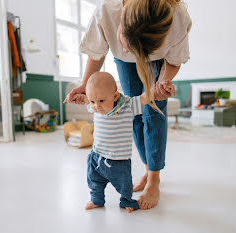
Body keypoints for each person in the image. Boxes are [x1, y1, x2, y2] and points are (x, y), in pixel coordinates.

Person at [64, 0, 192, 210]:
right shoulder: (107, 10)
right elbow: (96, 53)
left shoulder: (176, 17)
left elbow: (175, 60)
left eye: (130, 46)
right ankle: (147, 168)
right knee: (130, 113)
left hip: (158, 60)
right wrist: (85, 86)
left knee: (154, 112)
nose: (125, 48)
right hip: (124, 63)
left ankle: (154, 179)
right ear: (122, 16)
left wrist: (162, 82)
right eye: (124, 41)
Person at [68, 71, 174, 213]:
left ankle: (126, 200)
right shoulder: (95, 106)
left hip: (119, 161)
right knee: (94, 182)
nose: (96, 106)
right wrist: (79, 97)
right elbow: (87, 100)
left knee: (125, 185)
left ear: (115, 96)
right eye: (93, 102)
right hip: (96, 157)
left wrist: (157, 90)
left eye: (101, 101)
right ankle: (96, 199)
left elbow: (144, 98)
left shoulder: (127, 106)